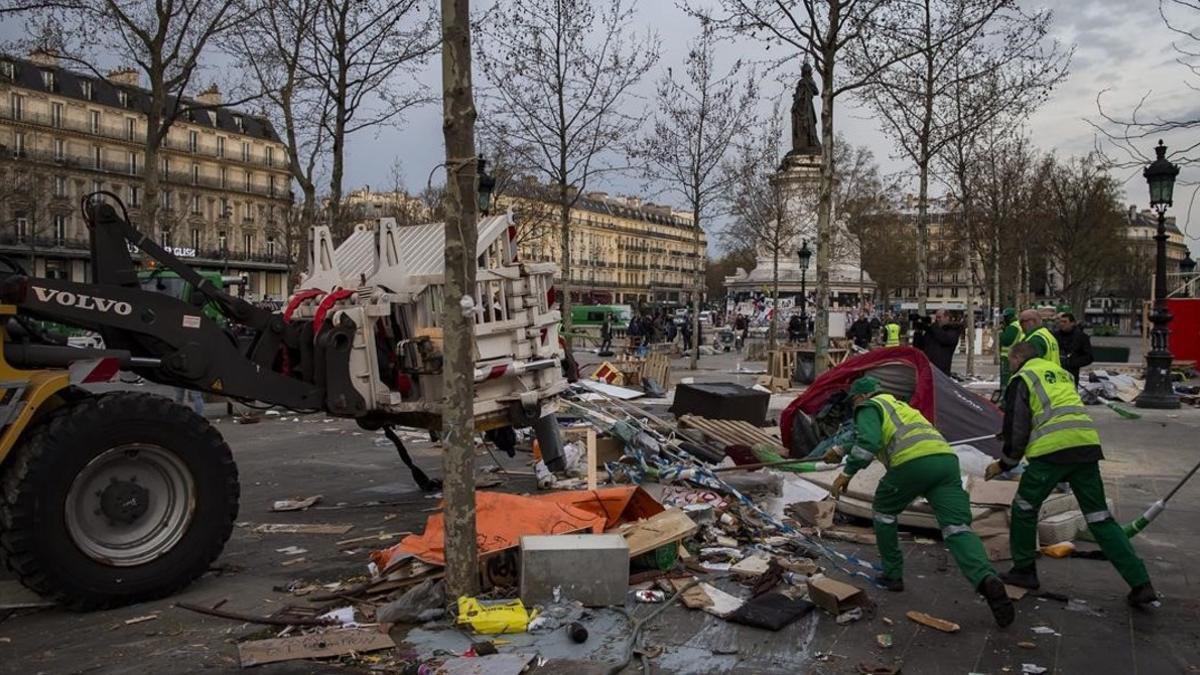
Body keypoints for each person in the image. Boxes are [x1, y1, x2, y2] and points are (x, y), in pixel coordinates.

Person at [826, 376, 1015, 627]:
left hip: (912, 463)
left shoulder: (868, 407)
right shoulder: (900, 407)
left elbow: (868, 443)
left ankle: (893, 575)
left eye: (853, 401)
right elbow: (872, 436)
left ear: (860, 397)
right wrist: (839, 450)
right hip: (946, 462)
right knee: (957, 527)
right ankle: (985, 577)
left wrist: (846, 473)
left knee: (884, 511)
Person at [987, 342, 1156, 607]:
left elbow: (1017, 426)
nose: (1010, 365)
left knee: (1024, 508)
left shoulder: (1023, 378)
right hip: (1085, 447)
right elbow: (1052, 412)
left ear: (1019, 358)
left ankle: (1024, 571)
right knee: (1099, 517)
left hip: (1051, 454)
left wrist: (1005, 463)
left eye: (1010, 360)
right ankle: (1141, 583)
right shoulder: (1059, 373)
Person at [1054, 312, 1093, 384]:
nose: (1062, 324)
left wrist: (1072, 362)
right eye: (1060, 322)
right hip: (1056, 372)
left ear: (1072, 323)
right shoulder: (1055, 336)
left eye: (1065, 322)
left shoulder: (1081, 337)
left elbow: (1089, 357)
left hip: (1071, 373)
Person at [922, 310, 961, 375]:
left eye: (939, 317)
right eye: (936, 318)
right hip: (928, 368)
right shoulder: (933, 331)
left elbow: (944, 339)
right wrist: (918, 332)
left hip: (941, 370)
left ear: (947, 317)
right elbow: (920, 345)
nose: (937, 320)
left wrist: (934, 326)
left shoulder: (953, 330)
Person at [998, 308, 1024, 393]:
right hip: (1016, 356)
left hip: (1008, 357)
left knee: (1006, 378)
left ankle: (1005, 395)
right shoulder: (1018, 325)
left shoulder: (1012, 327)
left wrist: (1001, 332)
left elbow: (1006, 340)